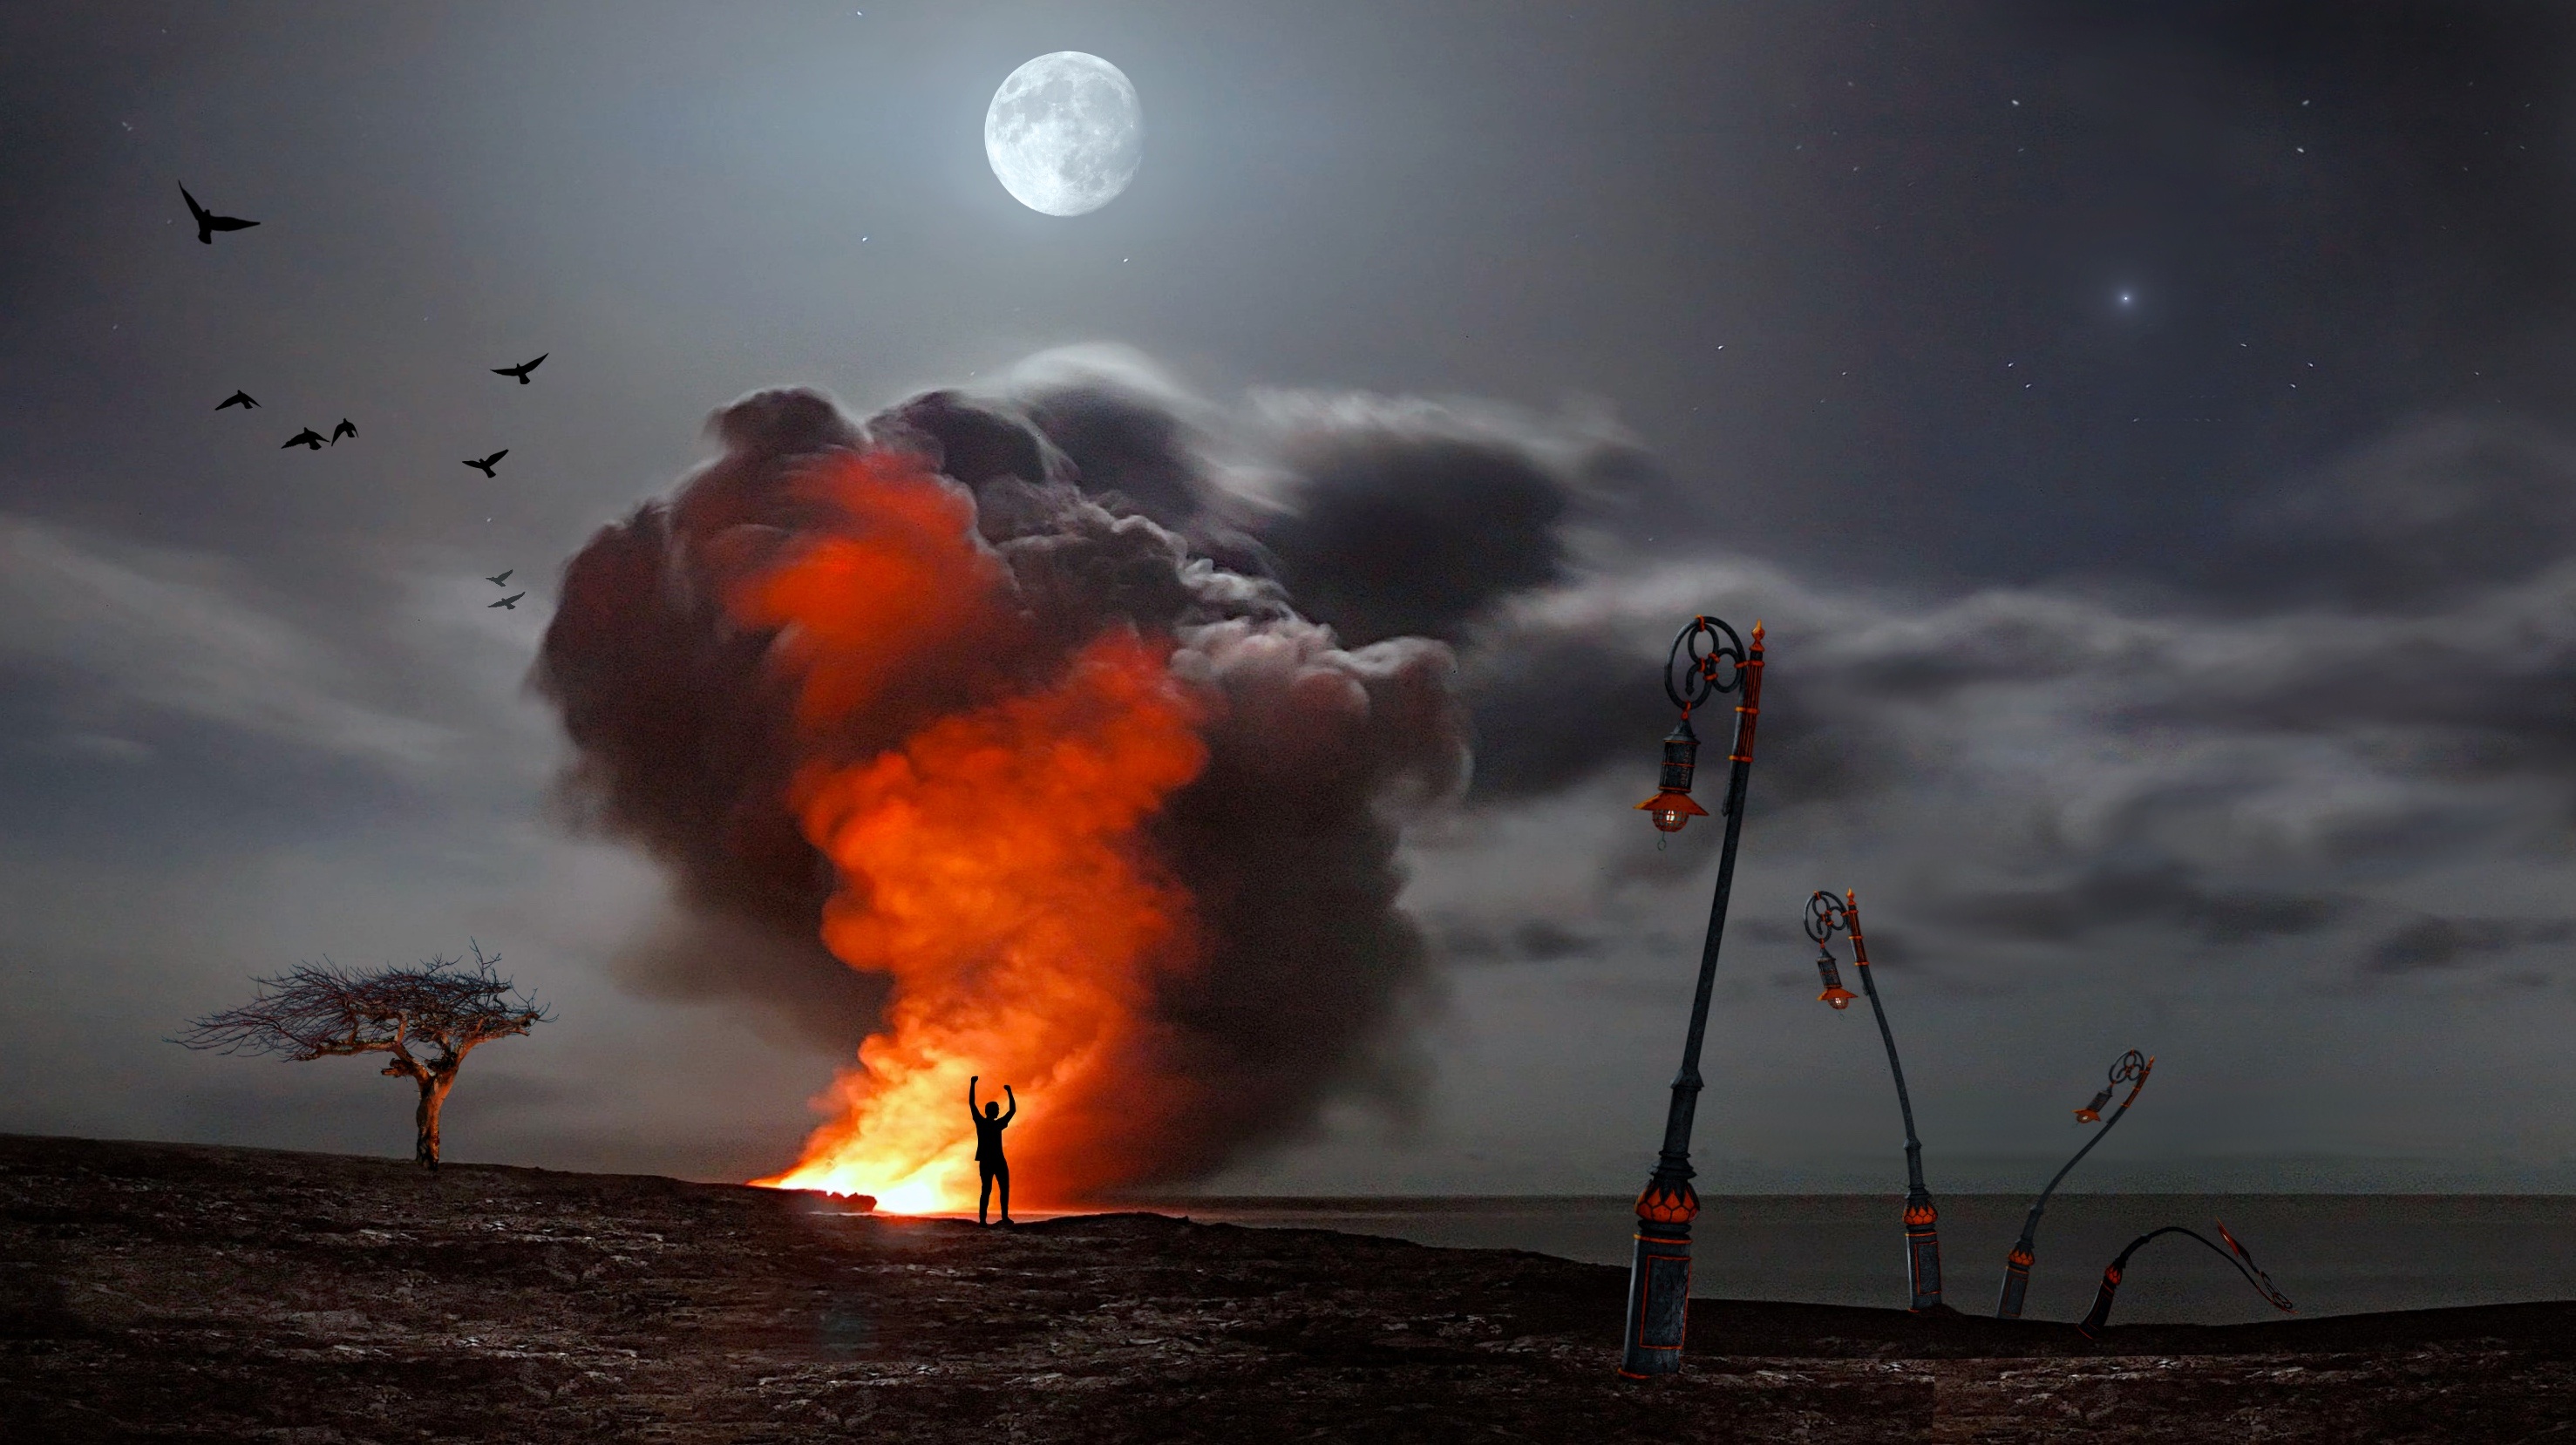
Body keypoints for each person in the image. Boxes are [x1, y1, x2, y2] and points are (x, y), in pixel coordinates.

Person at [968, 1075, 1016, 1225]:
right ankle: (985, 1220)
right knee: (990, 1189)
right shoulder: (984, 1123)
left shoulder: (992, 1123)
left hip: (995, 1160)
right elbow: (972, 1104)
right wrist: (973, 1084)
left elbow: (1012, 1111)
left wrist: (1009, 1092)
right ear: (991, 1111)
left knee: (997, 1189)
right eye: (997, 1109)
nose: (998, 1111)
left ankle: (999, 1218)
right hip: (990, 1160)